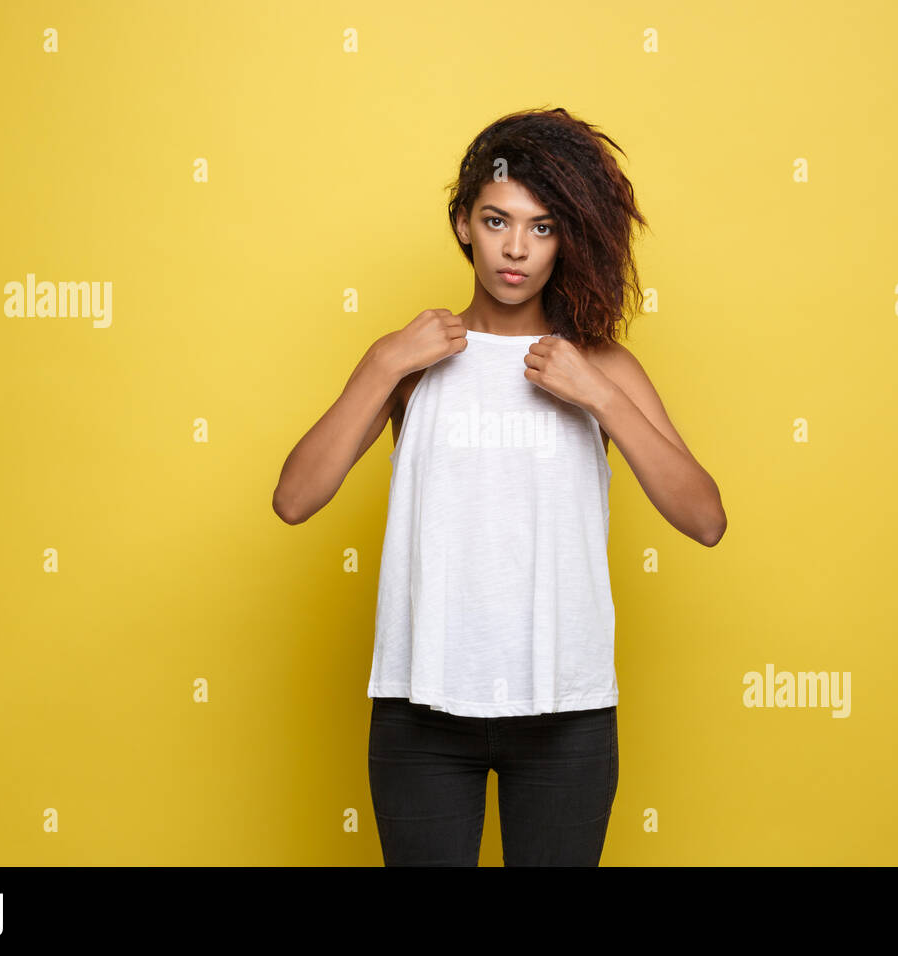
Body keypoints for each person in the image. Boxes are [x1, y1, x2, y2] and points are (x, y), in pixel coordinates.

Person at [272, 107, 727, 866]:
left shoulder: (601, 367)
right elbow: (294, 498)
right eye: (497, 221)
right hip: (421, 707)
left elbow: (705, 518)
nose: (516, 249)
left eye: (542, 228)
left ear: (567, 239)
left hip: (566, 712)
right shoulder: (411, 359)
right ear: (462, 224)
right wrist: (386, 363)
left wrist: (602, 396)